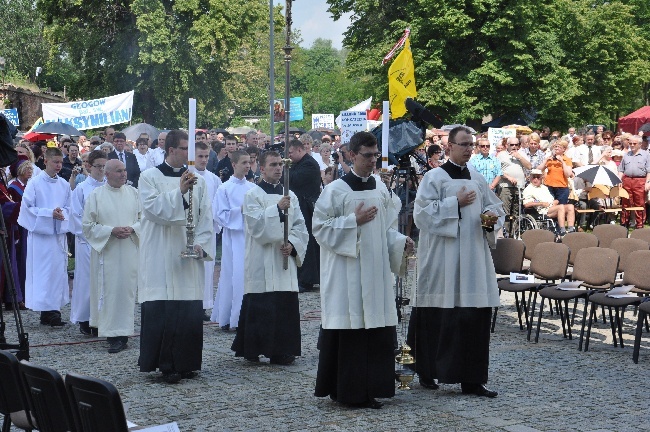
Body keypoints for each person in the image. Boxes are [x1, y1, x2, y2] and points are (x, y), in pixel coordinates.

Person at [313, 131, 413, 409]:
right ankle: (347, 390)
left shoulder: (381, 189)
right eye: (367, 156)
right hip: (347, 274)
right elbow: (319, 229)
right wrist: (351, 221)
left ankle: (372, 388)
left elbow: (386, 231)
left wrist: (400, 241)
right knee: (352, 329)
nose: (372, 161)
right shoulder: (336, 190)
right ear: (352, 155)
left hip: (376, 272)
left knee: (375, 330)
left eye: (375, 155)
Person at [407, 126, 504, 398]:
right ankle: (427, 371)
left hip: (473, 256)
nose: (469, 149)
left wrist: (491, 217)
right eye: (464, 144)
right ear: (449, 147)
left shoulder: (476, 178)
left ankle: (472, 380)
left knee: (472, 317)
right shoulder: (434, 177)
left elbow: (495, 207)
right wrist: (454, 203)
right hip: (442, 257)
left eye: (471, 145)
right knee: (438, 314)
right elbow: (421, 215)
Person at [138, 130, 215, 383]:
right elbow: (153, 211)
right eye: (184, 149)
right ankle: (164, 364)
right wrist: (179, 192)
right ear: (171, 150)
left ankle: (187, 362)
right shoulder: (149, 177)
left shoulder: (200, 182)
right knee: (164, 308)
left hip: (188, 257)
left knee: (188, 309)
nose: (189, 155)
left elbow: (205, 217)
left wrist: (201, 245)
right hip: (160, 253)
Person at [231, 151, 309, 365]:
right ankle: (254, 347)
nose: (278, 169)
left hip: (284, 259)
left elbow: (300, 226)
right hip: (262, 258)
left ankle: (282, 350)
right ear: (262, 169)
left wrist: (292, 244)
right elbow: (256, 227)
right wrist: (276, 209)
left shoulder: (290, 196)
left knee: (284, 304)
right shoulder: (253, 195)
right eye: (273, 165)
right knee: (261, 303)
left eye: (280, 165)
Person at [82, 159, 141, 353]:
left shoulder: (134, 193)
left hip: (129, 250)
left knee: (126, 291)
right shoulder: (96, 196)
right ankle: (113, 335)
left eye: (124, 170)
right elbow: (88, 226)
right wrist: (110, 231)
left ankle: (123, 331)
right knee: (109, 292)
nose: (124, 174)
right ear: (106, 174)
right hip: (107, 252)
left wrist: (132, 228)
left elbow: (145, 220)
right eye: (118, 171)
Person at [17, 147, 72, 327]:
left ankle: (54, 310)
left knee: (57, 273)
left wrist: (61, 213)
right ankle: (45, 310)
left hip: (57, 236)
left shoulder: (64, 185)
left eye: (61, 162)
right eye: (55, 162)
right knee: (44, 273)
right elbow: (27, 209)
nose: (59, 166)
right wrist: (50, 213)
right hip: (41, 237)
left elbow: (70, 209)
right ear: (45, 161)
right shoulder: (34, 183)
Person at [211, 150, 255, 331]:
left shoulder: (253, 188)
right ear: (234, 164)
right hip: (234, 237)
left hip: (250, 236)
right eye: (244, 162)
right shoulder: (224, 188)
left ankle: (245, 315)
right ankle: (230, 317)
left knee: (248, 276)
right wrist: (240, 210)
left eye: (249, 162)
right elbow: (220, 215)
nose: (247, 166)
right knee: (233, 276)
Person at [69, 150, 107, 336]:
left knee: (104, 282)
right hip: (87, 243)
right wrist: (92, 234)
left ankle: (102, 319)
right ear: (89, 166)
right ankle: (85, 318)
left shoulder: (110, 187)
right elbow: (75, 217)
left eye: (104, 166)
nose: (101, 170)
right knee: (86, 281)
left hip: (107, 242)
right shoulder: (81, 189)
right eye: (98, 166)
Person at [287, 139, 322, 292]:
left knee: (308, 244)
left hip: (307, 208)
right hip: (300, 207)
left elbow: (293, 180)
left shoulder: (309, 165)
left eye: (290, 153)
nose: (288, 157)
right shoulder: (299, 164)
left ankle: (307, 279)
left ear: (300, 150)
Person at [194, 141, 222, 319]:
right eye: (200, 156)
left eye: (206, 156)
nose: (204, 160)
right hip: (191, 229)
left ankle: (203, 305)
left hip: (208, 229)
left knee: (207, 267)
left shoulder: (214, 179)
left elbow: (218, 205)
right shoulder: (186, 175)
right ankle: (191, 303)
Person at [537, 139, 575, 237]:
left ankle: (564, 230)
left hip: (562, 188)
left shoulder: (567, 159)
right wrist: (546, 160)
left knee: (562, 208)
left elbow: (567, 174)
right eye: (555, 146)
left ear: (564, 149)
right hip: (549, 187)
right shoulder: (549, 159)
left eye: (559, 147)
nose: (556, 148)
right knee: (552, 208)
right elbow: (538, 170)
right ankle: (554, 230)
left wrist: (562, 161)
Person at [618, 134, 650, 229]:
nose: (631, 145)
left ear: (639, 144)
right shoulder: (626, 155)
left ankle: (640, 224)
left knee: (639, 203)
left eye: (634, 143)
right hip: (627, 180)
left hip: (640, 180)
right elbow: (621, 169)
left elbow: (649, 171)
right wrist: (619, 180)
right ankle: (624, 223)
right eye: (630, 143)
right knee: (626, 202)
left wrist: (648, 182)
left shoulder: (646, 155)